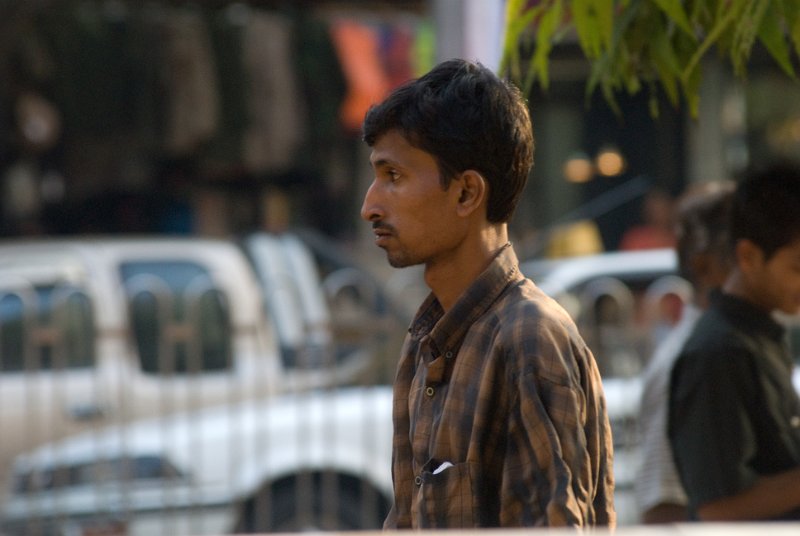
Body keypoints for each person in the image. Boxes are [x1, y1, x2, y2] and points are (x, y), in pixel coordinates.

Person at [359, 58, 615, 529]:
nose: (370, 206)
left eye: (393, 176)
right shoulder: (426, 340)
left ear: (466, 194)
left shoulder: (530, 339)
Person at [668, 163, 800, 521]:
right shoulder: (719, 352)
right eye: (797, 268)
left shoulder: (761, 336)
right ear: (748, 257)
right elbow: (717, 507)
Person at [635, 181, 736, 524]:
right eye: (745, 251)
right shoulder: (685, 361)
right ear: (706, 264)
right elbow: (662, 508)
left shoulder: (733, 345)